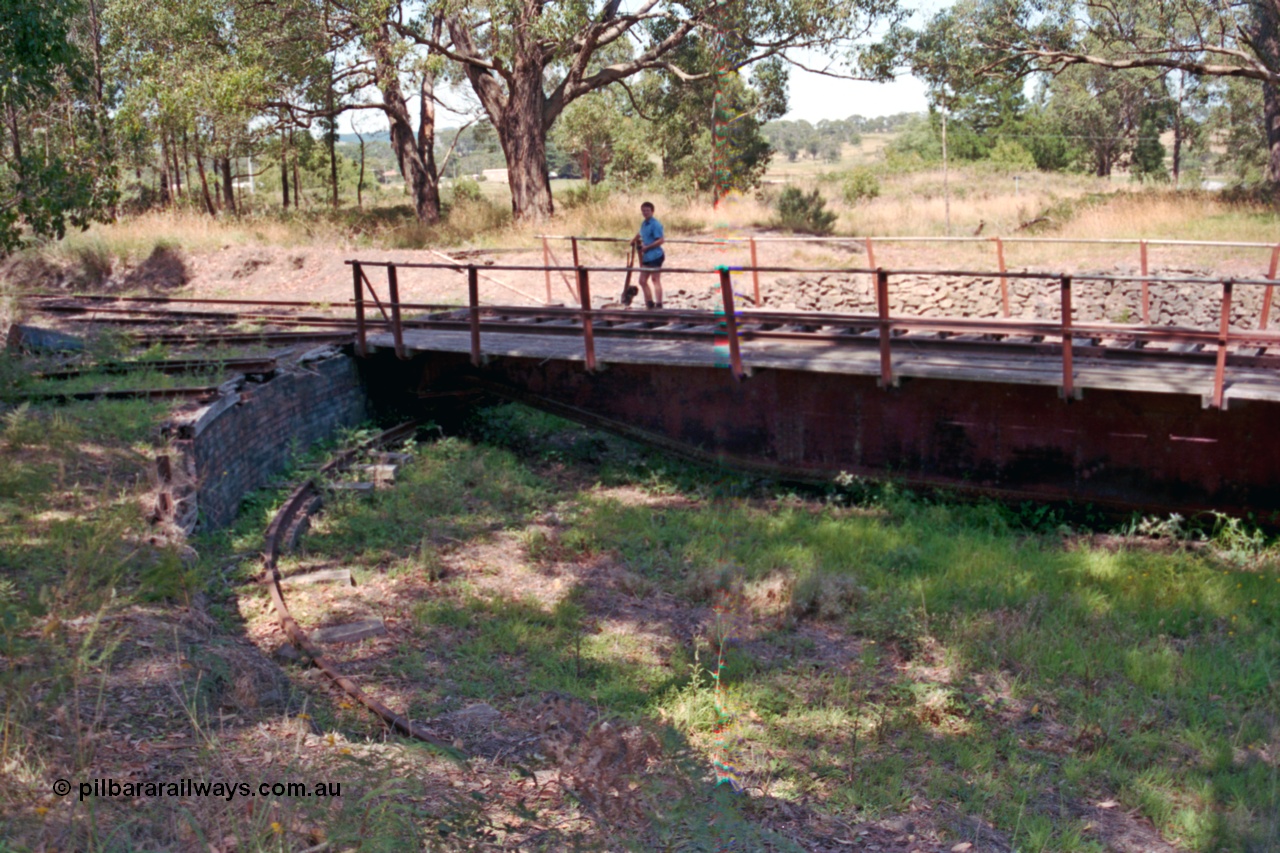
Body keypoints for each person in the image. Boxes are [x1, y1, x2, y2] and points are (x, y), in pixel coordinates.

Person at [633, 201, 665, 309]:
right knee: (642, 281)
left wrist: (647, 247)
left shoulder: (655, 224)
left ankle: (659, 303)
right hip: (647, 256)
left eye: (647, 210)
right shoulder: (644, 223)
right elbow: (641, 232)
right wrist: (634, 240)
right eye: (643, 211)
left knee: (655, 279)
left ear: (652, 211)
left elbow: (661, 240)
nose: (645, 212)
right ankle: (649, 302)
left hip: (655, 255)